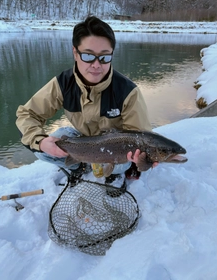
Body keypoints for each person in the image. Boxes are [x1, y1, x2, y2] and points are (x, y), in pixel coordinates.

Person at [16, 16, 158, 189]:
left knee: (121, 164)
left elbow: (141, 136)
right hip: (82, 140)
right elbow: (27, 114)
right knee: (44, 151)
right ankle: (79, 166)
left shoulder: (128, 92)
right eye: (88, 56)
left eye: (104, 57)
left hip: (114, 147)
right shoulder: (63, 84)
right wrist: (40, 141)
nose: (96, 65)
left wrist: (143, 159)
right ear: (75, 53)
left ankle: (115, 174)